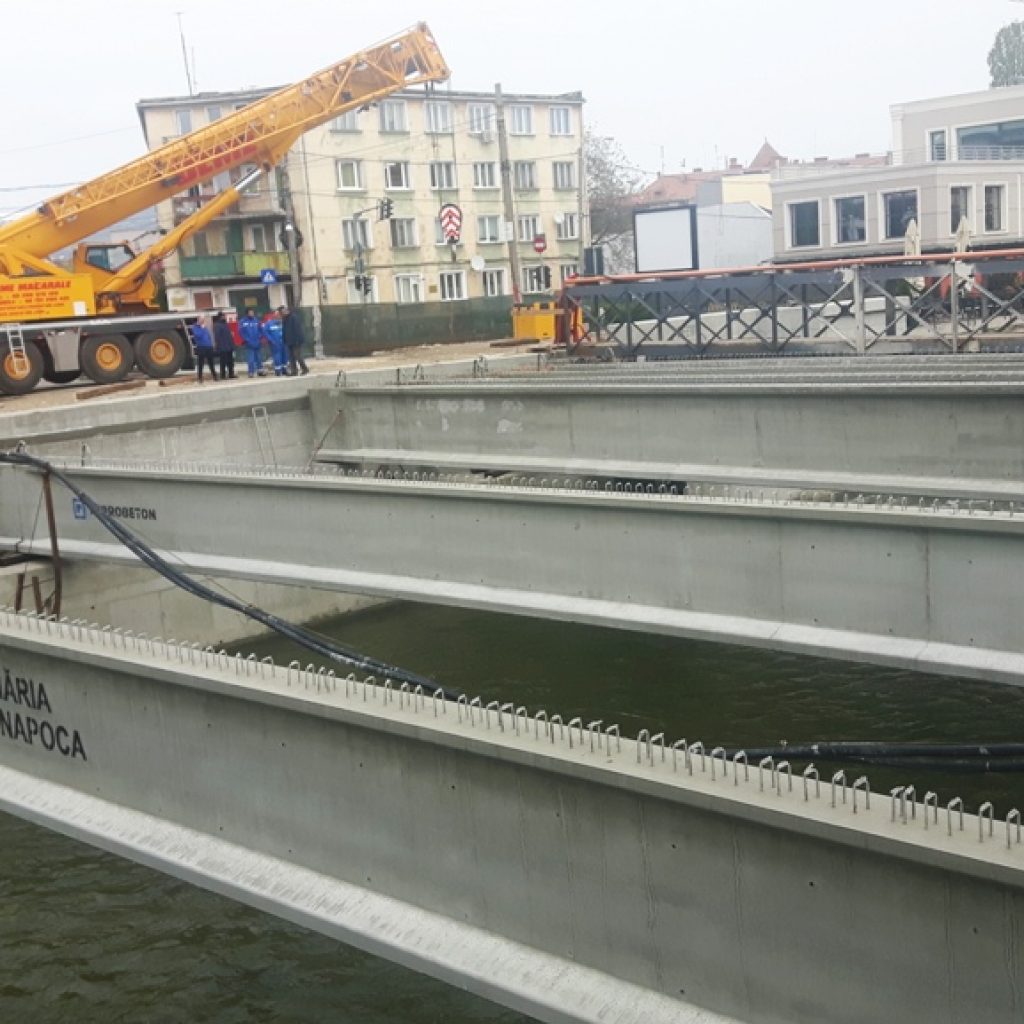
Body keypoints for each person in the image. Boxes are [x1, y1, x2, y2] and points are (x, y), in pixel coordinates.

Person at [281, 305, 309, 376]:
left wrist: (297, 340)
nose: (284, 312)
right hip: (289, 341)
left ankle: (305, 369)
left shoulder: (293, 318)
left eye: (285, 311)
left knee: (297, 356)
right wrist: (284, 340)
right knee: (291, 357)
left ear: (288, 311)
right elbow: (284, 330)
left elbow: (297, 329)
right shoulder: (284, 319)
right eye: (283, 312)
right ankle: (294, 371)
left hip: (296, 341)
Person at [238, 308, 265, 378]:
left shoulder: (256, 320)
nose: (252, 313)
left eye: (252, 312)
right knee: (251, 359)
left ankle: (260, 371)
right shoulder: (242, 321)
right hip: (249, 343)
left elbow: (261, 330)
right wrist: (247, 340)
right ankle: (251, 372)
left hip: (257, 342)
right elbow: (241, 332)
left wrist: (259, 337)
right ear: (247, 313)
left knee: (259, 358)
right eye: (250, 312)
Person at [261, 309, 287, 376]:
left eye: (279, 314)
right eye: (276, 314)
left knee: (284, 356)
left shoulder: (283, 322)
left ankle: (284, 369)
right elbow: (265, 332)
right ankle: (278, 371)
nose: (278, 316)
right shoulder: (269, 323)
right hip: (275, 343)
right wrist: (271, 340)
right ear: (273, 315)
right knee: (277, 356)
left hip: (284, 342)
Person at [190, 318, 217, 383]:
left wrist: (211, 344)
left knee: (211, 362)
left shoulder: (205, 327)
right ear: (198, 320)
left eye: (203, 320)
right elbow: (198, 335)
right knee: (201, 363)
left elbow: (208, 336)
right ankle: (200, 377)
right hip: (201, 347)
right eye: (201, 320)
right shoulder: (195, 327)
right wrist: (202, 328)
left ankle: (214, 376)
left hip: (208, 346)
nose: (202, 321)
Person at [213, 312, 236, 380]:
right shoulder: (217, 325)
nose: (225, 317)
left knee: (230, 361)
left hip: (229, 346)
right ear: (220, 317)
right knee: (223, 362)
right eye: (223, 316)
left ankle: (231, 374)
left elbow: (229, 335)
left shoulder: (226, 324)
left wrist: (232, 345)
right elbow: (217, 336)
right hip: (222, 347)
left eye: (224, 316)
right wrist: (218, 345)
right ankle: (223, 375)